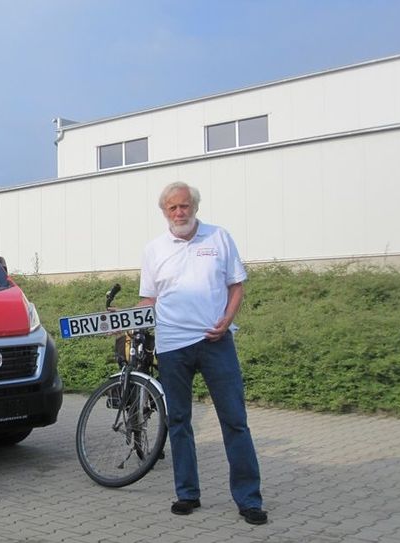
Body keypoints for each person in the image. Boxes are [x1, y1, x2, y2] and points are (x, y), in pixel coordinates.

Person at [138, 182, 267, 525]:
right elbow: (148, 300)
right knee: (179, 421)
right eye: (172, 208)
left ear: (195, 207)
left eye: (184, 206)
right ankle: (187, 494)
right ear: (163, 212)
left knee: (235, 421)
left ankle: (248, 499)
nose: (179, 213)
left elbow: (236, 285)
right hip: (172, 347)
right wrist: (128, 321)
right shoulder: (153, 250)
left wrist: (227, 320)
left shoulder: (219, 237)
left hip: (215, 343)